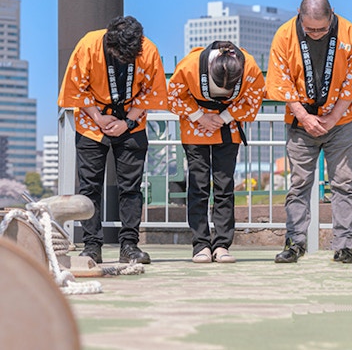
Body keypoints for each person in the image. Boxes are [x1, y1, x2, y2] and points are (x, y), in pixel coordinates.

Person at [266, 0, 352, 264]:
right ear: (299, 16)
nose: (315, 34)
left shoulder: (349, 33)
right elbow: (281, 82)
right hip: (300, 123)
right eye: (309, 29)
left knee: (344, 184)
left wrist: (333, 117)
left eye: (322, 29)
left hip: (340, 122)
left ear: (332, 15)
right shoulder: (284, 35)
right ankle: (294, 243)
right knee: (299, 184)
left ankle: (345, 245)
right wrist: (304, 116)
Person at [58, 15, 167, 265]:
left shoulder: (148, 50)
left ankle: (129, 245)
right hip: (91, 117)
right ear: (110, 43)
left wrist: (127, 122)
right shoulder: (88, 45)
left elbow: (153, 92)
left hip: (132, 118)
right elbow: (76, 88)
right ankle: (91, 245)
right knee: (89, 186)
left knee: (131, 186)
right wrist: (98, 118)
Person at [168, 41, 265, 264]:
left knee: (224, 185)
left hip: (228, 126)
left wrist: (222, 118)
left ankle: (222, 244)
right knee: (198, 185)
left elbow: (253, 100)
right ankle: (200, 244)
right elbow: (172, 95)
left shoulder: (249, 67)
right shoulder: (191, 64)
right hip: (195, 125)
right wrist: (200, 117)